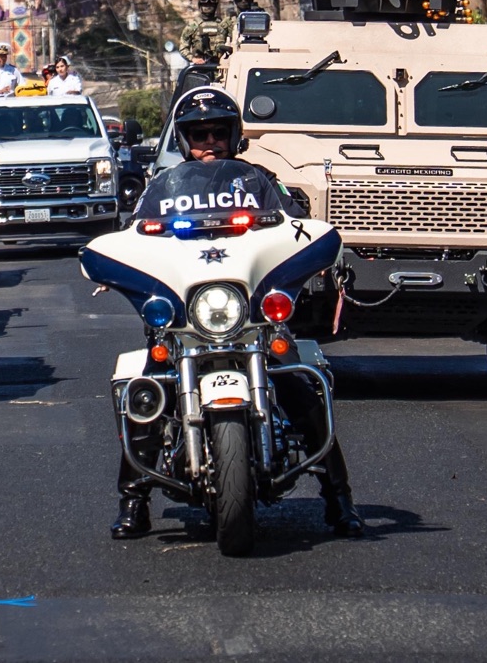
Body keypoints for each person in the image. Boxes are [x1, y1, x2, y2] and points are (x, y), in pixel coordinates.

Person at [111, 88, 364, 541]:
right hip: (185, 321)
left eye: (218, 132)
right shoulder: (159, 188)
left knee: (301, 390)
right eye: (198, 134)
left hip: (252, 318)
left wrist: (314, 248)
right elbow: (128, 237)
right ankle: (134, 501)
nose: (209, 142)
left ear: (234, 135)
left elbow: (298, 227)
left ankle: (339, 499)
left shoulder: (262, 182)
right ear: (184, 141)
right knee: (146, 397)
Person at [178, 0, 229, 64]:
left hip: (221, 66)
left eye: (211, 5)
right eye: (205, 5)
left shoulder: (223, 25)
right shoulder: (193, 26)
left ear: (215, 6)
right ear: (200, 6)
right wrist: (193, 59)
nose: (208, 8)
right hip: (201, 68)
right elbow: (183, 48)